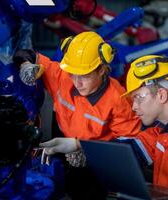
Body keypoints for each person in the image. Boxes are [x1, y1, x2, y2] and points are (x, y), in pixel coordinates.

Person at [42, 55, 168, 199]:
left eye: (138, 98)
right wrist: (77, 145)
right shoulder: (162, 130)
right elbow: (128, 151)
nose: (133, 107)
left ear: (161, 95)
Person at [13, 31, 142, 199]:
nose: (77, 82)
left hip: (96, 164)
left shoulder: (118, 101)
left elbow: (129, 148)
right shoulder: (62, 76)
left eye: (85, 76)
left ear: (102, 69)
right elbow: (25, 53)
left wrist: (87, 152)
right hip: (61, 147)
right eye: (73, 74)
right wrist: (25, 66)